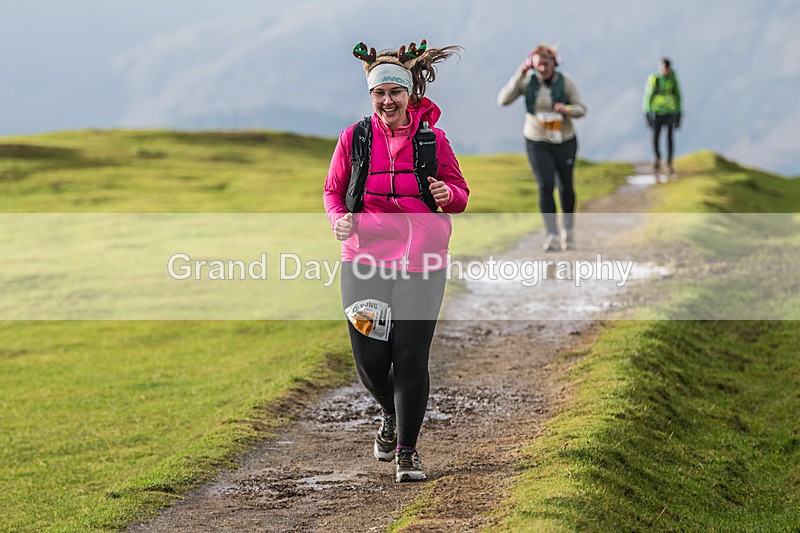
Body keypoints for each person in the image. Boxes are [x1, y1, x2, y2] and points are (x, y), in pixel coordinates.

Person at [323, 39, 469, 483]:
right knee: (369, 359)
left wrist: (449, 195)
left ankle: (407, 450)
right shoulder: (355, 138)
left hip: (423, 262)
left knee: (409, 356)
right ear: (371, 97)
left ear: (409, 94)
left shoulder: (433, 140)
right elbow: (333, 191)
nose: (387, 101)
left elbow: (460, 193)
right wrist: (339, 220)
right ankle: (389, 411)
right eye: (378, 94)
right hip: (364, 260)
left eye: (394, 92)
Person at [497, 44, 587, 252]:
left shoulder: (565, 83)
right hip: (536, 139)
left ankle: (568, 231)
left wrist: (567, 110)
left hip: (564, 139)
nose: (543, 69)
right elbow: (503, 100)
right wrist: (519, 74)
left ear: (554, 63)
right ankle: (552, 235)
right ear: (532, 65)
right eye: (538, 65)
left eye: (546, 64)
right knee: (545, 185)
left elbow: (581, 109)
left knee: (566, 186)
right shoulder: (527, 82)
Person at [643, 58, 682, 175]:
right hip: (657, 112)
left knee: (669, 137)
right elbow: (648, 95)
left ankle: (669, 162)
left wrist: (678, 113)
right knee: (656, 136)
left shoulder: (673, 79)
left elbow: (678, 96)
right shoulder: (655, 79)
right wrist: (647, 112)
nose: (665, 70)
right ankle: (657, 158)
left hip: (670, 112)